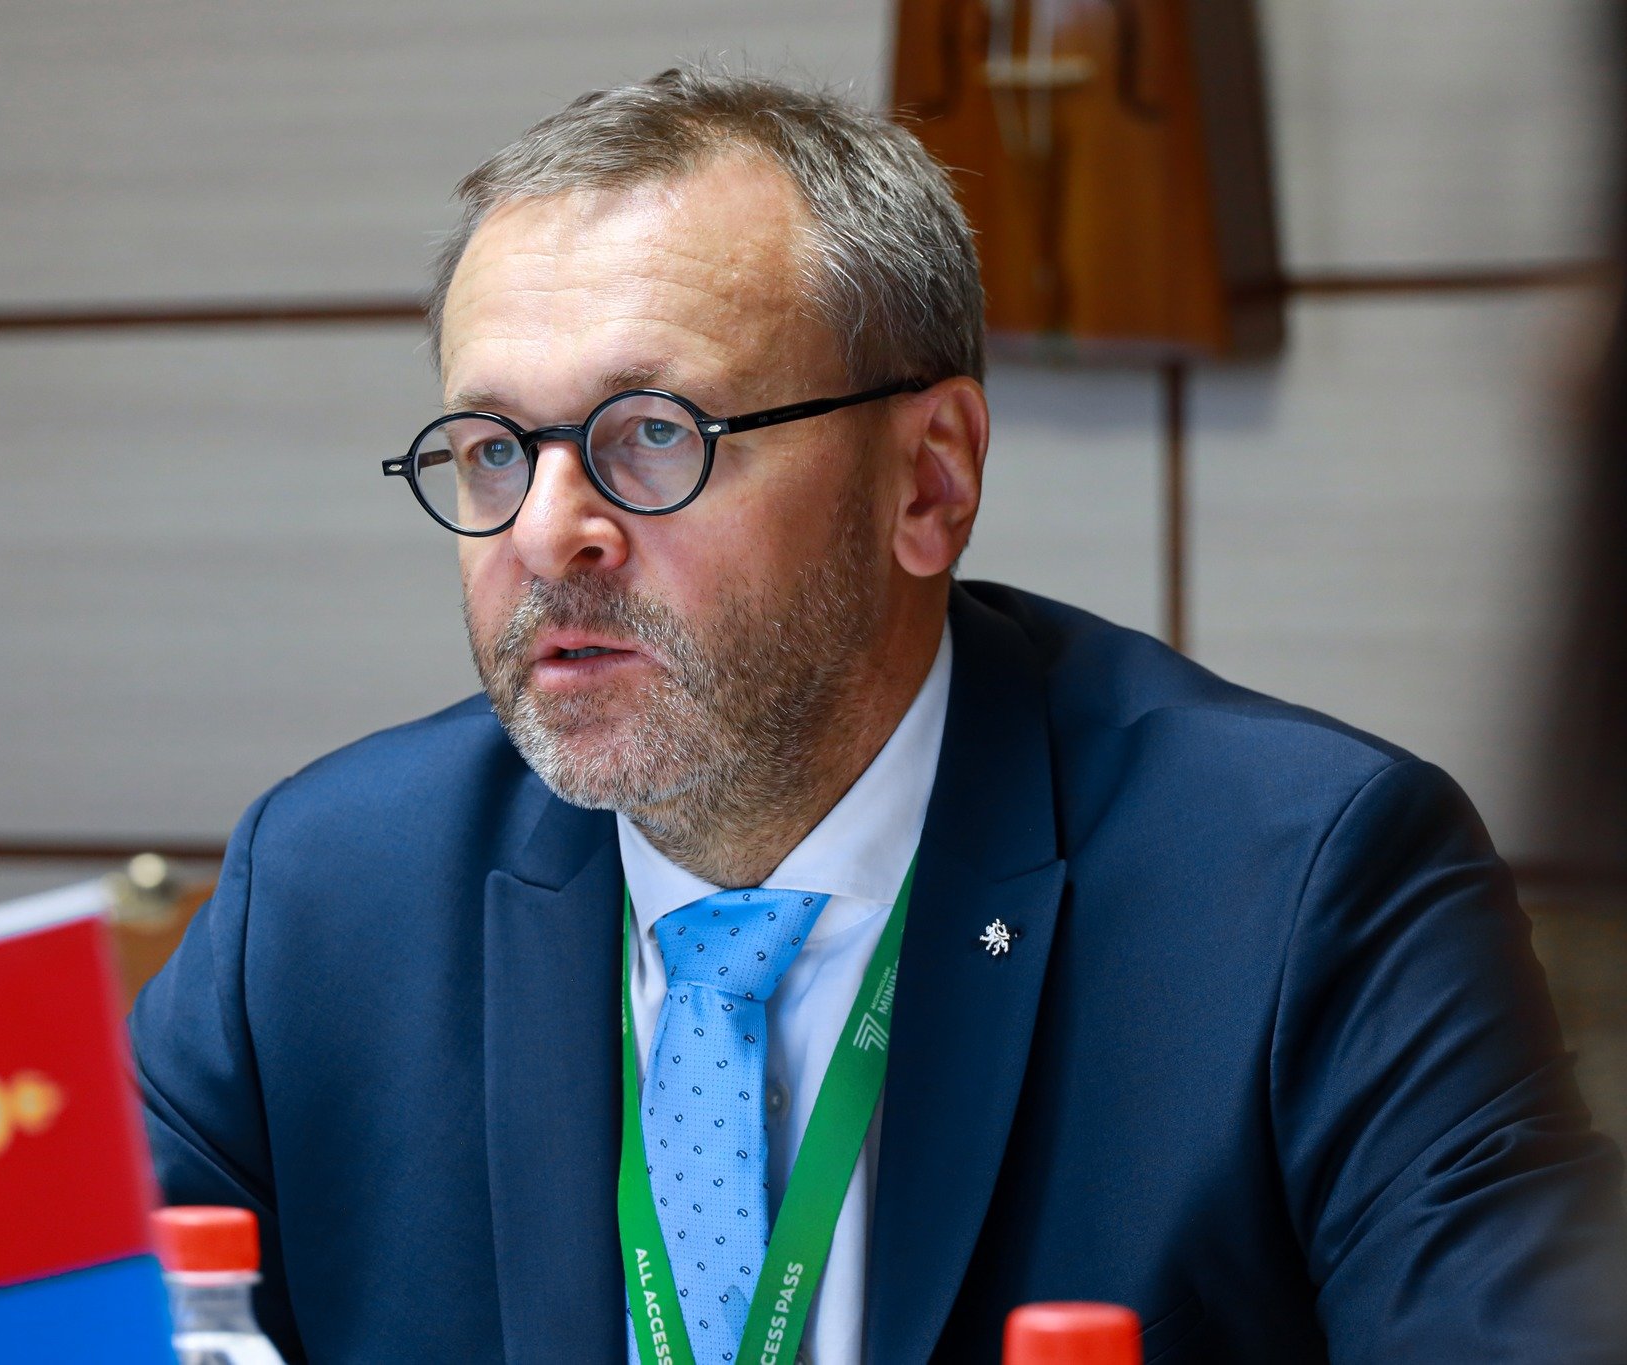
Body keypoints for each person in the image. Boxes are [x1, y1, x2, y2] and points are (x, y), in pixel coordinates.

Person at [130, 67, 1627, 1364]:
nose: (547, 530)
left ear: (930, 480)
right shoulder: (325, 902)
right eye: (491, 450)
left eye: (653, 435)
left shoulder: (1301, 888)